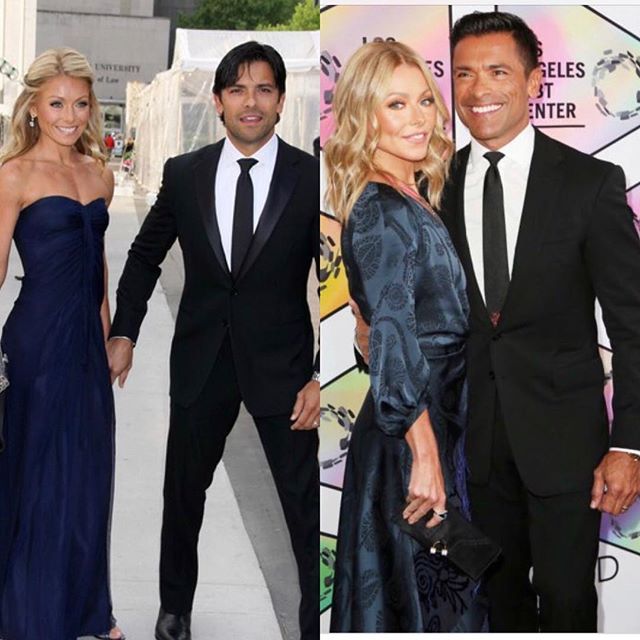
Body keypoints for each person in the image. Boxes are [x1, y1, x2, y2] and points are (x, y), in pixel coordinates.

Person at [354, 11, 640, 632]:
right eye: (463, 74)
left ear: (534, 81)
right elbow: (401, 308)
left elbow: (633, 326)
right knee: (492, 613)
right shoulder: (429, 184)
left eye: (498, 71)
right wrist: (369, 333)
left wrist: (629, 444)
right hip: (468, 452)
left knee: (567, 606)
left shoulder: (590, 183)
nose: (479, 88)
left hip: (567, 449)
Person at [106, 41, 319, 640]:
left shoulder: (312, 178)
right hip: (202, 362)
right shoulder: (185, 173)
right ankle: (174, 609)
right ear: (219, 101)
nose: (251, 102)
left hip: (285, 371)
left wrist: (319, 373)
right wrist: (124, 331)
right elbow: (145, 256)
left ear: (281, 101)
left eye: (264, 89)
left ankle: (316, 622)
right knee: (183, 495)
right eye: (237, 90)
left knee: (305, 507)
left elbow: (339, 279)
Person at [325, 41, 484, 633]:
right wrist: (426, 455)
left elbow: (383, 325)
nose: (418, 118)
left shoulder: (409, 195)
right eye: (396, 104)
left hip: (434, 421)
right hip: (413, 436)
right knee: (428, 609)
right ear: (365, 115)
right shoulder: (380, 208)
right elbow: (393, 338)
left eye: (424, 100)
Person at [0, 48, 124, 640]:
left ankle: (87, 611)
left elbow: (97, 267)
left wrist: (109, 337)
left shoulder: (100, 174)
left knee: (87, 478)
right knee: (39, 477)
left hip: (85, 349)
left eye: (79, 103)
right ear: (33, 107)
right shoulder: (14, 175)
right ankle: (32, 615)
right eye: (56, 104)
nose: (69, 116)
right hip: (36, 343)